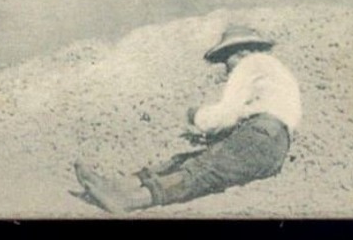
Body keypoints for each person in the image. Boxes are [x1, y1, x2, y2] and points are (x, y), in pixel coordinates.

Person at [74, 23, 302, 213]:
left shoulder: (251, 63)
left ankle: (127, 200)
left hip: (260, 135)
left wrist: (197, 116)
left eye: (226, 59)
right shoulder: (275, 75)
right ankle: (114, 186)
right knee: (189, 162)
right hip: (273, 147)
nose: (226, 67)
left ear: (240, 51)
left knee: (199, 171)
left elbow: (226, 113)